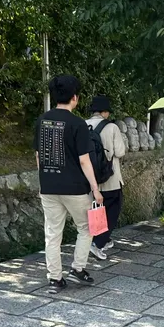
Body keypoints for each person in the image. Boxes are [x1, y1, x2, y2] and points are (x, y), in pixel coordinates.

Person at [34, 75, 104, 293]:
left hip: (49, 187)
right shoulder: (77, 124)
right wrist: (95, 188)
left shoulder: (41, 121)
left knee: (52, 233)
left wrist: (44, 181)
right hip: (75, 188)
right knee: (85, 228)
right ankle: (78, 268)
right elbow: (84, 160)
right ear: (75, 98)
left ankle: (55, 278)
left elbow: (38, 157)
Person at [85, 95, 126, 259]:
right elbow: (120, 152)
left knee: (95, 211)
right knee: (112, 211)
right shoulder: (112, 128)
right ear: (105, 112)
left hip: (89, 178)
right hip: (110, 178)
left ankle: (100, 239)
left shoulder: (83, 125)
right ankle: (98, 244)